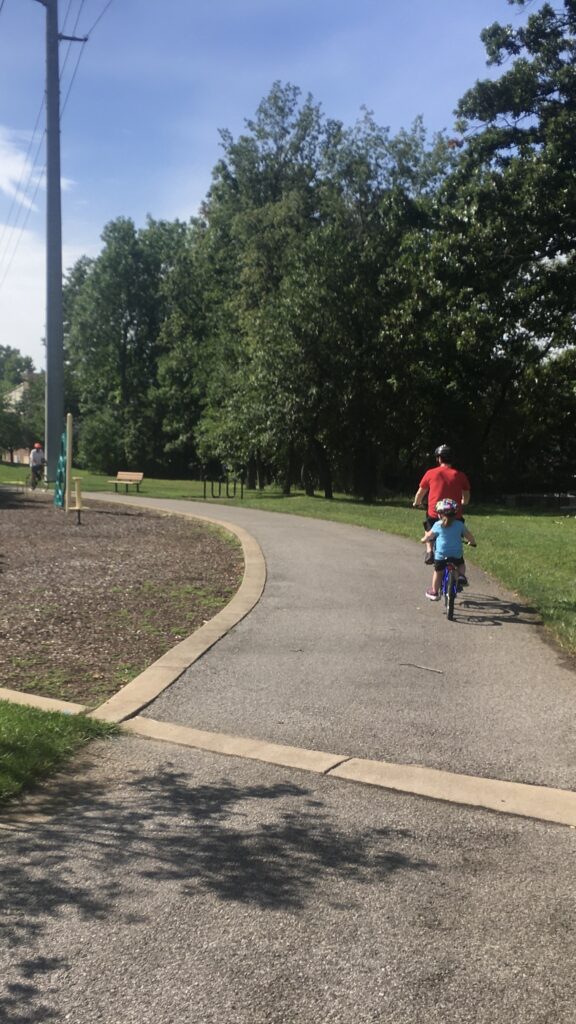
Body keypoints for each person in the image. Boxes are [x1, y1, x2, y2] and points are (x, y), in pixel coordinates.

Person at [412, 444, 471, 579]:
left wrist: (417, 502)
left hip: (435, 513)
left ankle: (429, 551)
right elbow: (466, 494)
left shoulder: (431, 473)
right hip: (455, 514)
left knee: (429, 526)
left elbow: (421, 492)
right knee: (458, 530)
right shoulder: (460, 475)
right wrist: (464, 502)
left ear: (439, 459)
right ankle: (458, 567)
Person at [421, 498, 477, 601]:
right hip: (456, 554)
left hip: (441, 555)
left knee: (438, 572)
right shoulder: (460, 525)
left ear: (439, 514)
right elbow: (469, 536)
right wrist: (472, 542)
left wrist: (423, 539)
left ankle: (434, 592)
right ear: (455, 514)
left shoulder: (438, 525)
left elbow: (428, 536)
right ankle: (461, 576)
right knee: (461, 564)